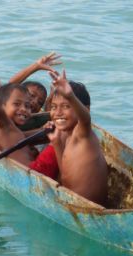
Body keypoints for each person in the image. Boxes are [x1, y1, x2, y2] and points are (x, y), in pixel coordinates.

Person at [43, 69, 108, 206]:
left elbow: (85, 119)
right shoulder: (67, 135)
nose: (58, 113)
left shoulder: (82, 133)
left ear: (86, 108)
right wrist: (56, 143)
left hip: (90, 209)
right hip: (73, 204)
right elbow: (66, 175)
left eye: (66, 106)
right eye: (54, 107)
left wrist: (70, 95)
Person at [0, 78, 35, 166]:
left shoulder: (14, 130)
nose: (24, 109)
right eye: (17, 104)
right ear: (3, 107)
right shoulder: (4, 126)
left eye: (27, 106)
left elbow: (26, 136)